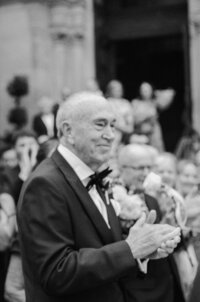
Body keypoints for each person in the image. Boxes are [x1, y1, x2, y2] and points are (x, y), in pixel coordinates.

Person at [17, 92, 181, 302]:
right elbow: (56, 272)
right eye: (100, 124)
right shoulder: (45, 184)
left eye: (113, 125)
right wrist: (129, 249)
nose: (111, 135)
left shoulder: (96, 178)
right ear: (68, 131)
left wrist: (142, 252)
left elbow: (103, 254)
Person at [116, 144, 185, 302]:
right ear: (121, 168)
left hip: (164, 283)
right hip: (135, 288)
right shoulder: (114, 201)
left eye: (149, 167)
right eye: (140, 168)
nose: (146, 173)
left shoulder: (152, 200)